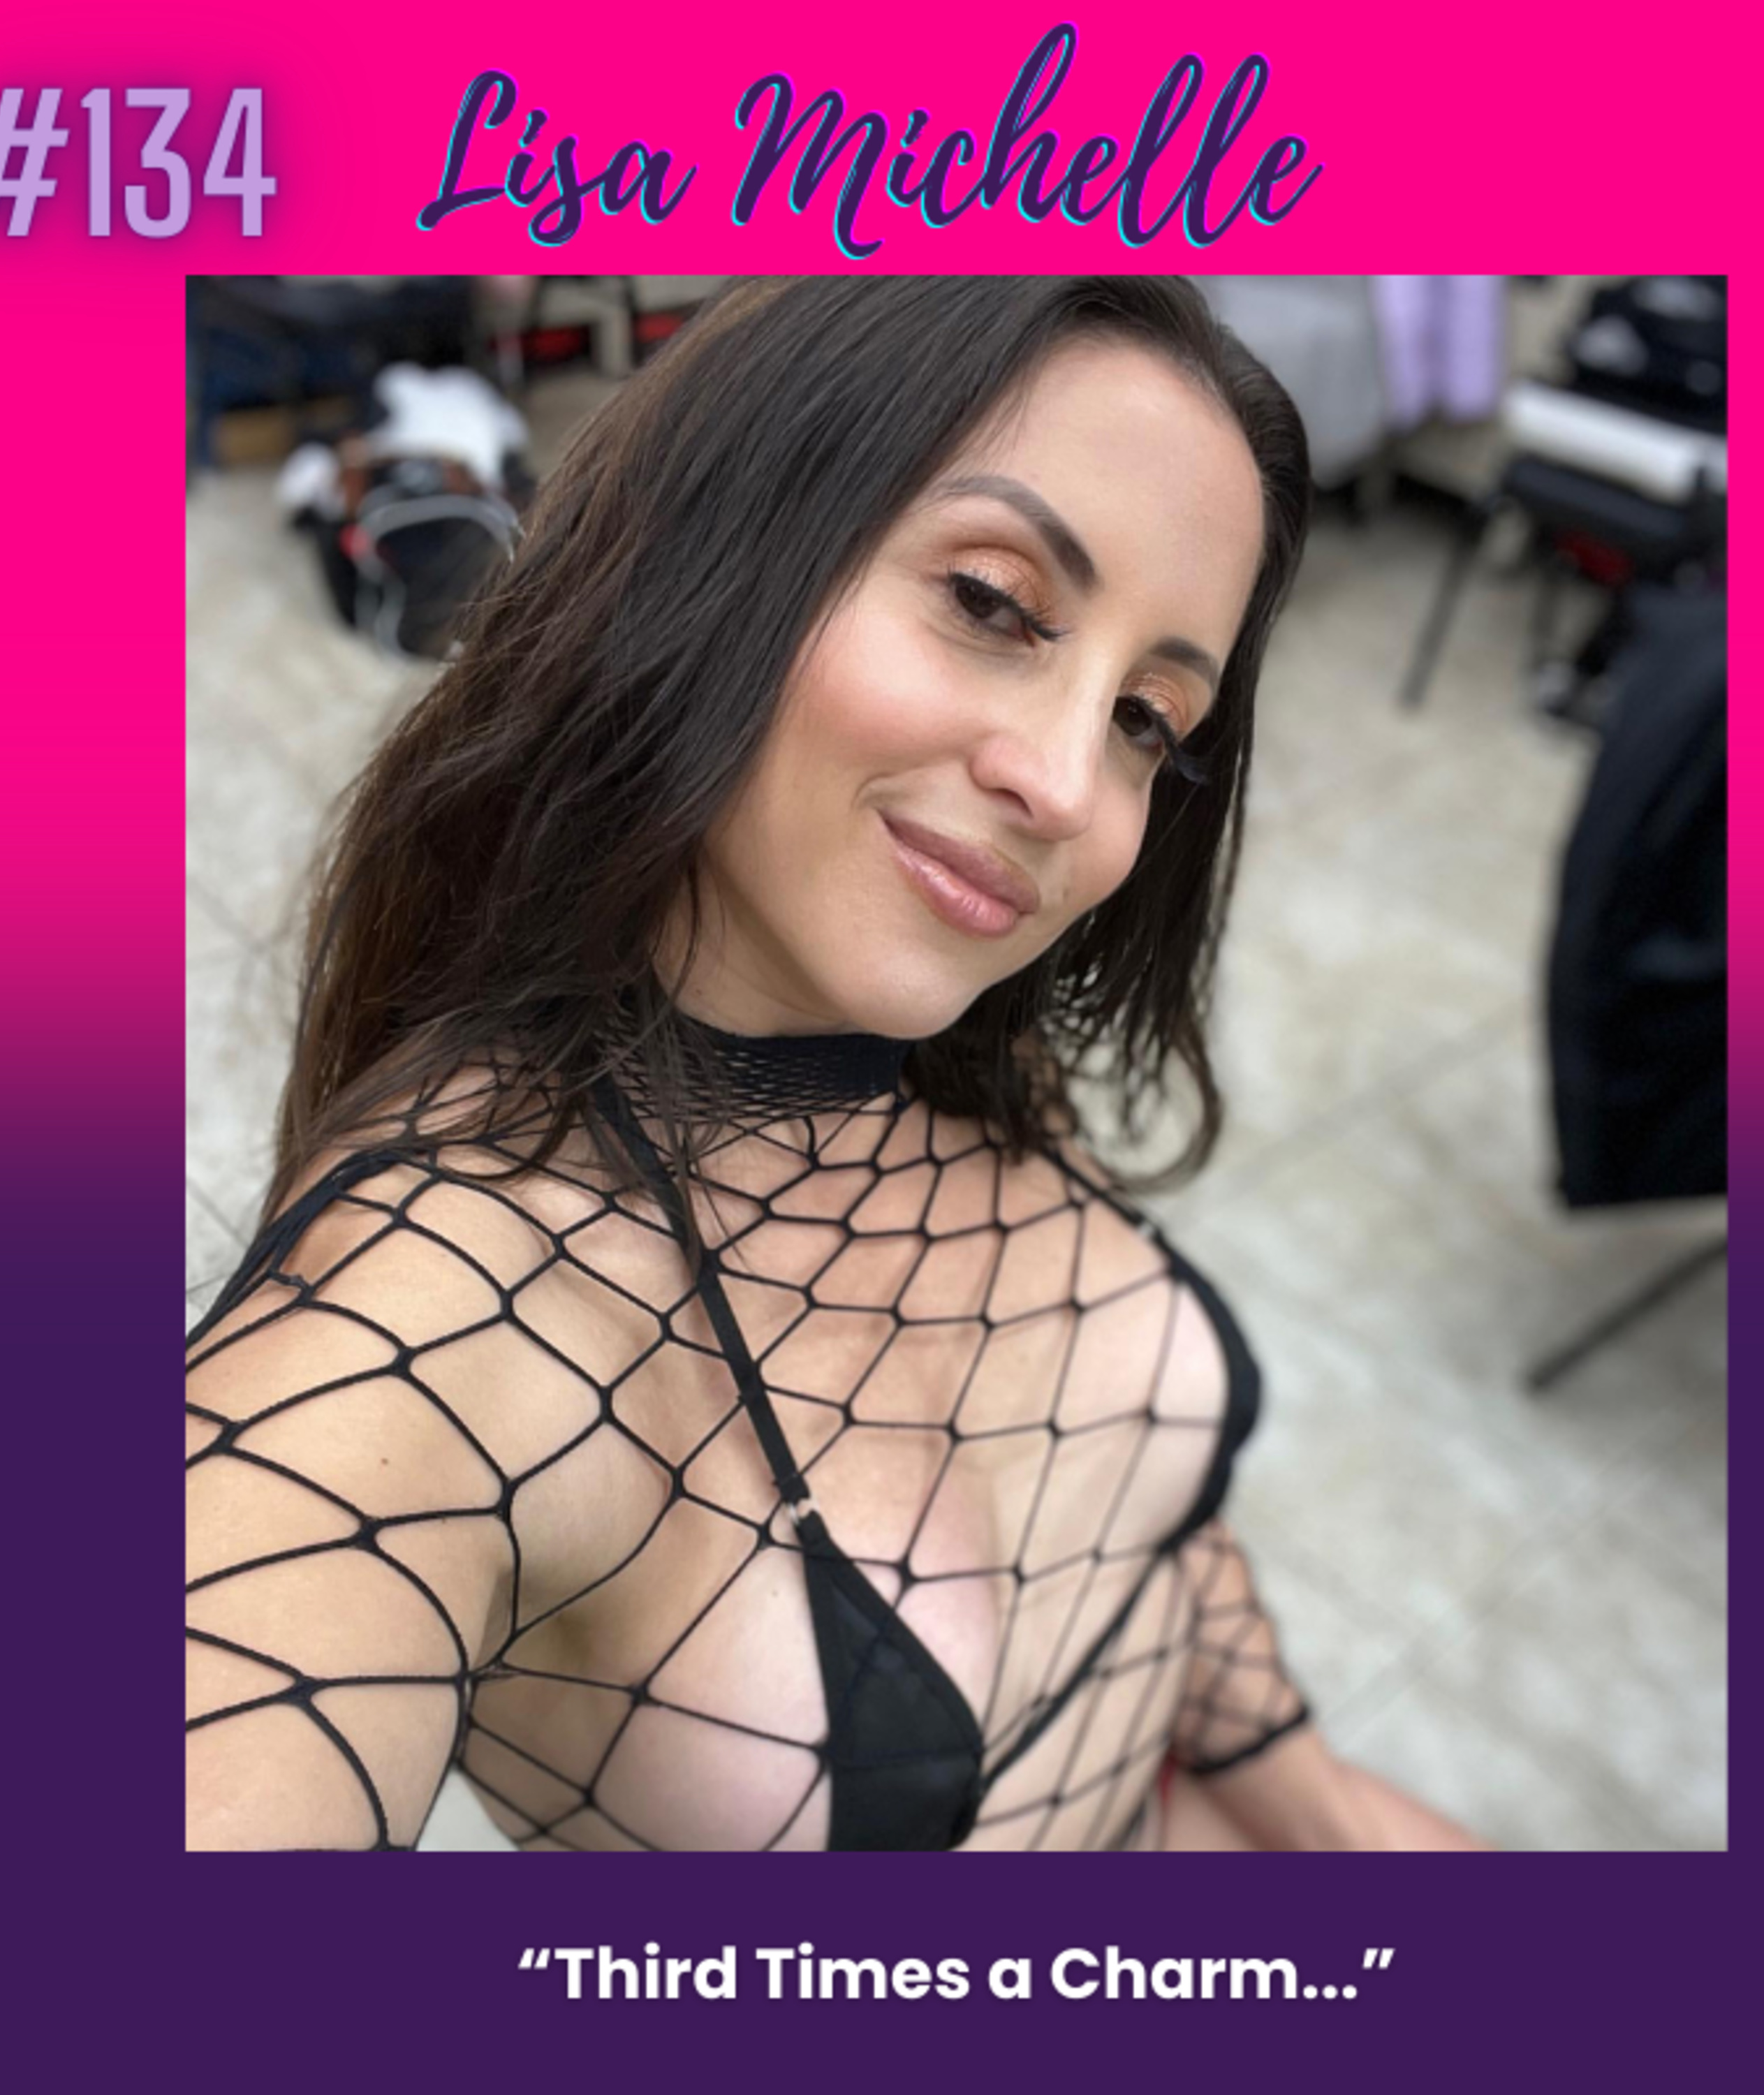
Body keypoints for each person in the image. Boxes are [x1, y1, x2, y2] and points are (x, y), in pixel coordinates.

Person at [185, 276, 1487, 1854]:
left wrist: (1335, 1829)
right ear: (715, 537)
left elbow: (1157, 1553)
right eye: (993, 603)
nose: (1073, 787)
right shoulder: (436, 1319)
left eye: (1150, 718)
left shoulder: (941, 1044)